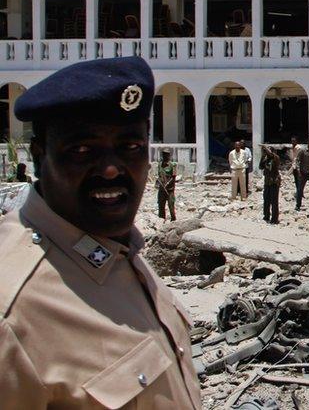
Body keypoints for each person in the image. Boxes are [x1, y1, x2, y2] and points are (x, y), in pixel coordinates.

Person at [0, 56, 201, 407]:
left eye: (131, 147)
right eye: (82, 149)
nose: (111, 169)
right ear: (38, 155)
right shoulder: (14, 311)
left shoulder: (122, 252)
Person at [260, 145, 280, 224]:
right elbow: (260, 167)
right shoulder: (266, 159)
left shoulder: (276, 158)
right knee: (266, 200)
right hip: (267, 182)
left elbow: (272, 155)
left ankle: (274, 219)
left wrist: (267, 150)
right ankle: (266, 215)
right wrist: (263, 156)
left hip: (274, 182)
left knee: (274, 201)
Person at [157, 149, 177, 221]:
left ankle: (173, 220)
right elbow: (159, 175)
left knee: (171, 206)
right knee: (161, 205)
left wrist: (167, 184)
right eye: (163, 154)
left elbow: (173, 177)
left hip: (170, 190)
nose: (165, 156)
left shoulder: (173, 165)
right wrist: (158, 182)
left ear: (169, 156)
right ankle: (162, 220)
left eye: (166, 155)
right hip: (161, 189)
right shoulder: (160, 165)